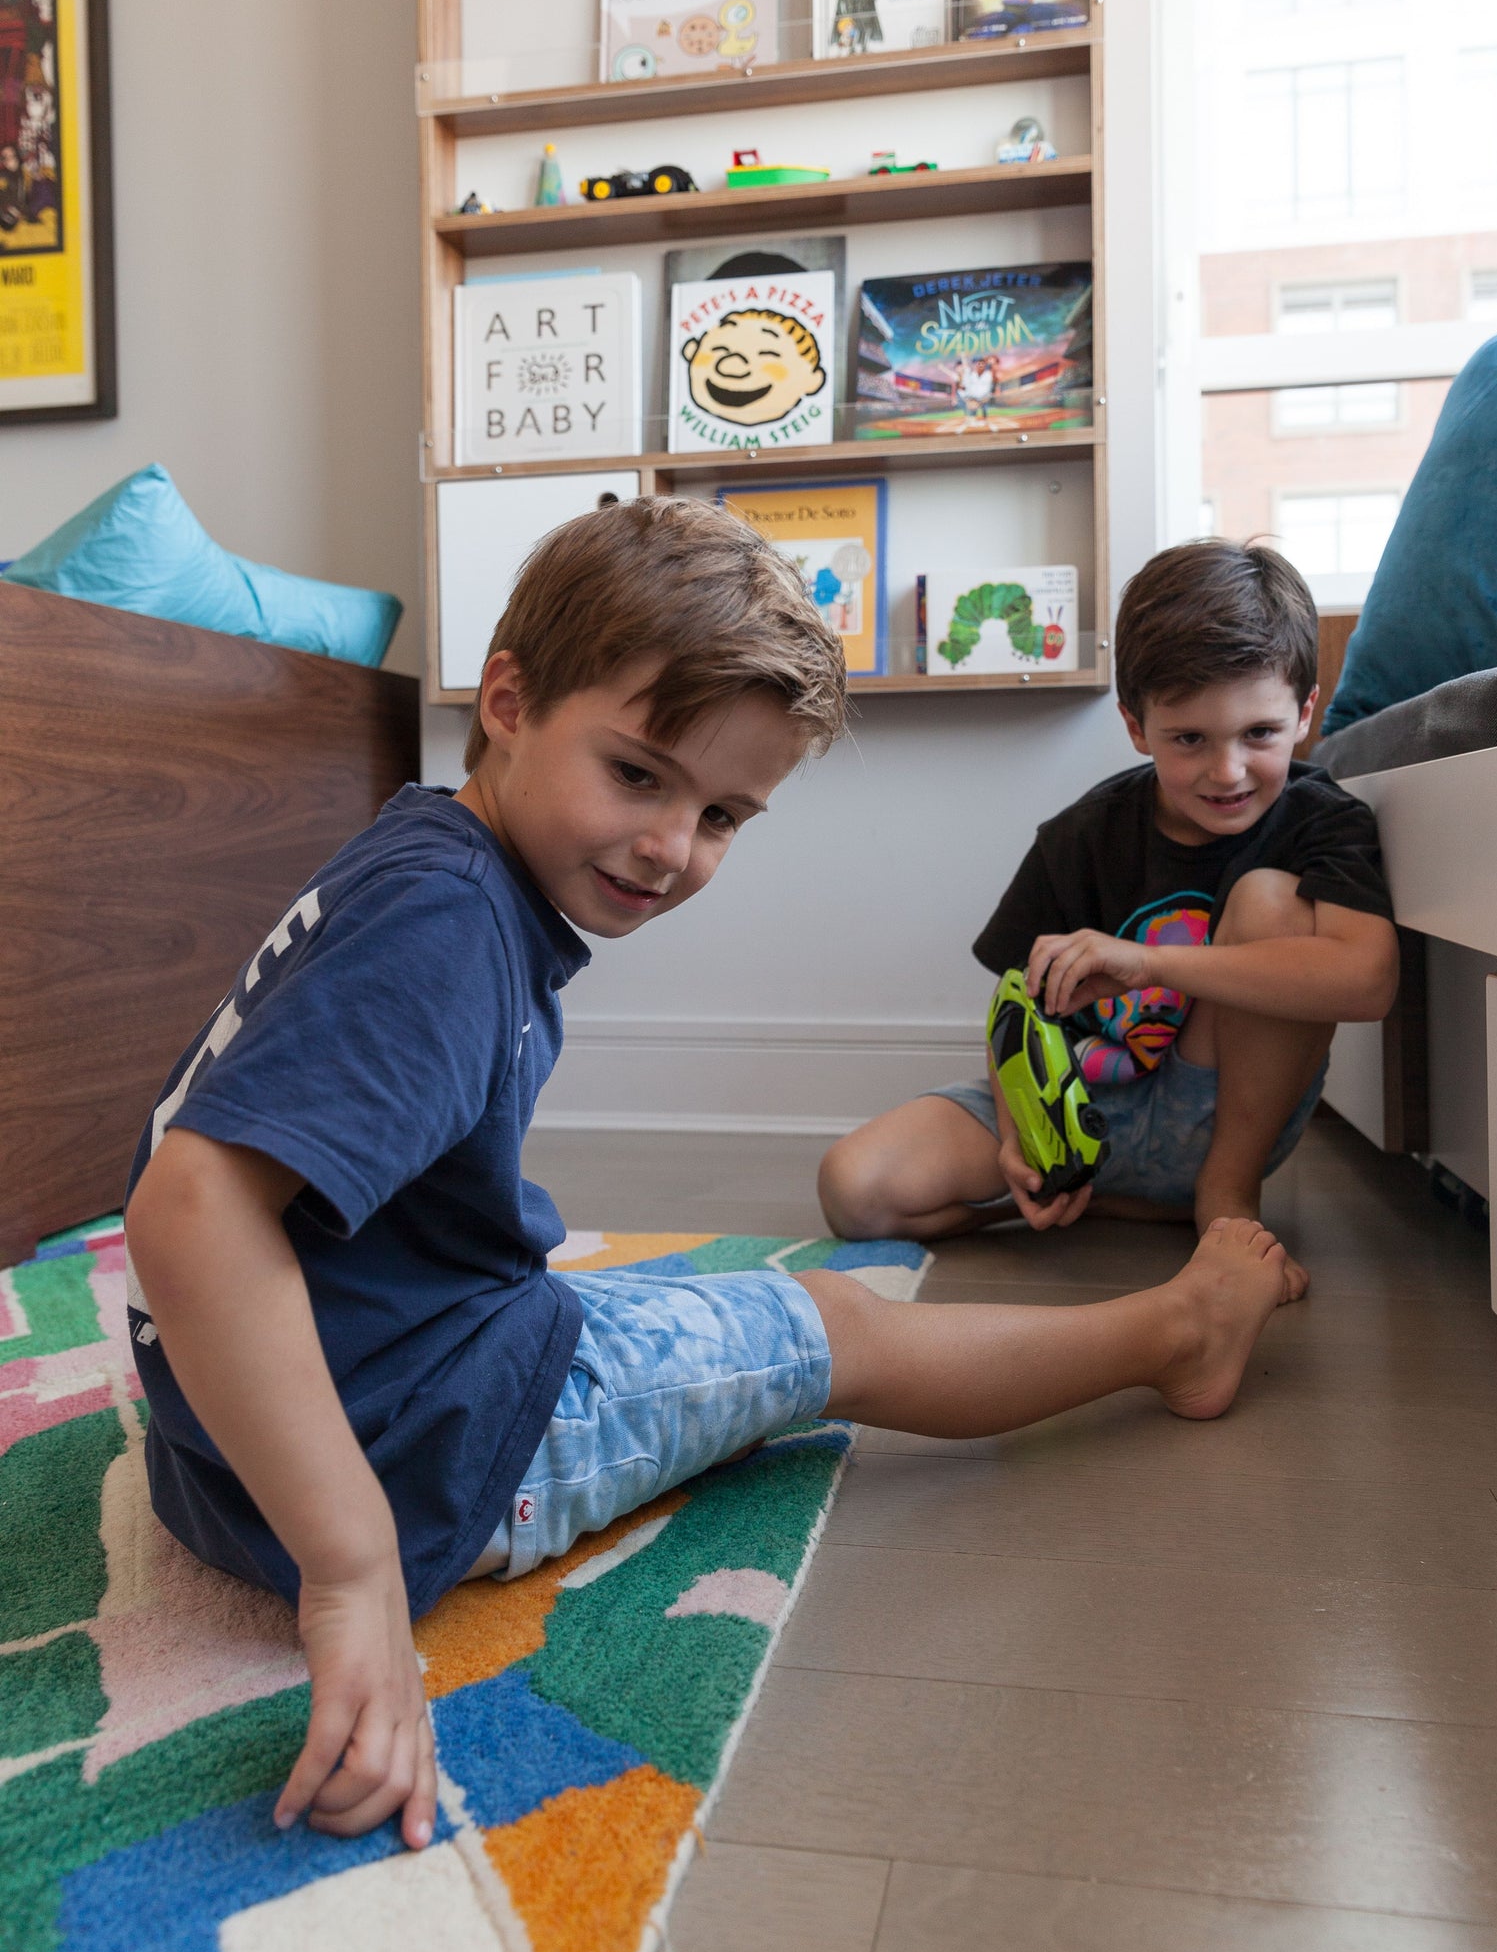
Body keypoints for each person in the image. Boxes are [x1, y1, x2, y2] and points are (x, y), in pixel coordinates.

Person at [124, 502, 1312, 1860]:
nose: (670, 848)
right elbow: (193, 1208)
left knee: (656, 1296)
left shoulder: (422, 856)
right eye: (639, 776)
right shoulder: (447, 928)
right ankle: (1176, 1332)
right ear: (506, 697)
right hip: (424, 1462)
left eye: (724, 815)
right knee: (841, 1328)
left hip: (218, 1464)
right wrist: (350, 1577)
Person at [819, 538, 1398, 1256]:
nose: (1228, 770)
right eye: (1189, 738)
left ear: (1306, 712)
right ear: (1135, 726)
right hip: (1087, 1108)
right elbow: (1016, 1007)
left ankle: (1224, 1196)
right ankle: (1105, 1200)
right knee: (855, 1188)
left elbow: (1367, 980)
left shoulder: (1323, 819)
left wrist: (1150, 964)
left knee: (1270, 904)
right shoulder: (1082, 835)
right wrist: (1019, 1141)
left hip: (1222, 1115)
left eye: (1260, 733)